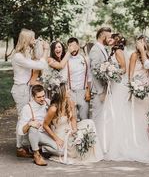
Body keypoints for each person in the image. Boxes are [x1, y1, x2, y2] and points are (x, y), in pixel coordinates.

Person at [11, 28, 49, 157]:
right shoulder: (18, 56)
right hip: (20, 89)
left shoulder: (25, 54)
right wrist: (45, 50)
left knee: (27, 116)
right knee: (22, 118)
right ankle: (19, 147)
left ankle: (27, 144)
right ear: (26, 40)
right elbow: (40, 65)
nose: (34, 40)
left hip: (26, 88)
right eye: (32, 38)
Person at [43, 83, 103, 164]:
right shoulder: (53, 108)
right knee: (73, 146)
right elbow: (45, 125)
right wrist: (56, 139)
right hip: (60, 133)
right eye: (67, 89)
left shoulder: (70, 102)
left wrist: (74, 129)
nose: (69, 91)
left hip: (70, 129)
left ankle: (92, 152)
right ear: (62, 92)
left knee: (90, 122)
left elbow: (73, 118)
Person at [18, 85, 60, 166]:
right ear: (33, 97)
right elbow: (20, 131)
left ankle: (41, 149)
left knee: (60, 151)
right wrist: (29, 124)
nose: (42, 99)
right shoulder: (27, 108)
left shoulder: (47, 102)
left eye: (43, 96)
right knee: (33, 128)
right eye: (39, 97)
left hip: (45, 134)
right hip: (32, 135)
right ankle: (36, 154)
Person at [89, 27, 112, 126]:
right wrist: (101, 91)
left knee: (103, 117)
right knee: (97, 117)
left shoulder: (103, 49)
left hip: (105, 89)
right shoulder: (95, 50)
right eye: (109, 37)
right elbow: (95, 72)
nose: (110, 39)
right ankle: (95, 140)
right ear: (102, 35)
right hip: (99, 91)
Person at [66, 37, 92, 120]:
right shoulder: (66, 60)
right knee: (72, 118)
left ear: (78, 46)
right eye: (69, 46)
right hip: (71, 92)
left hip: (83, 92)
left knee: (84, 118)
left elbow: (89, 76)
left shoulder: (85, 59)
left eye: (73, 46)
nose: (72, 49)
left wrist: (88, 91)